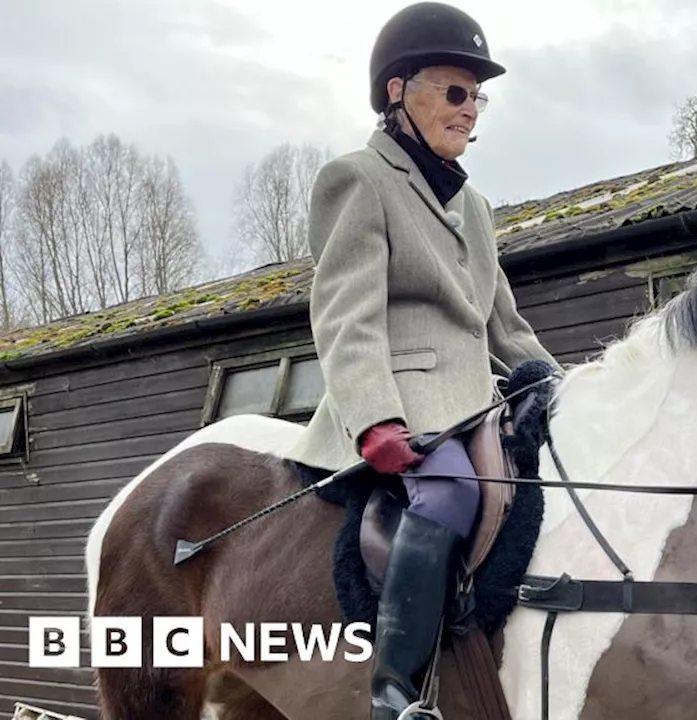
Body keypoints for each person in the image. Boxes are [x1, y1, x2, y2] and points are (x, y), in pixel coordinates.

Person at [280, 3, 560, 717]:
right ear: (399, 91)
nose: (472, 111)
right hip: (403, 402)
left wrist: (559, 385)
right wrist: (375, 416)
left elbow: (504, 325)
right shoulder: (359, 180)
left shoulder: (477, 208)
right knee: (451, 493)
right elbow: (346, 313)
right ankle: (395, 690)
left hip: (478, 403)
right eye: (456, 92)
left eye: (479, 97)